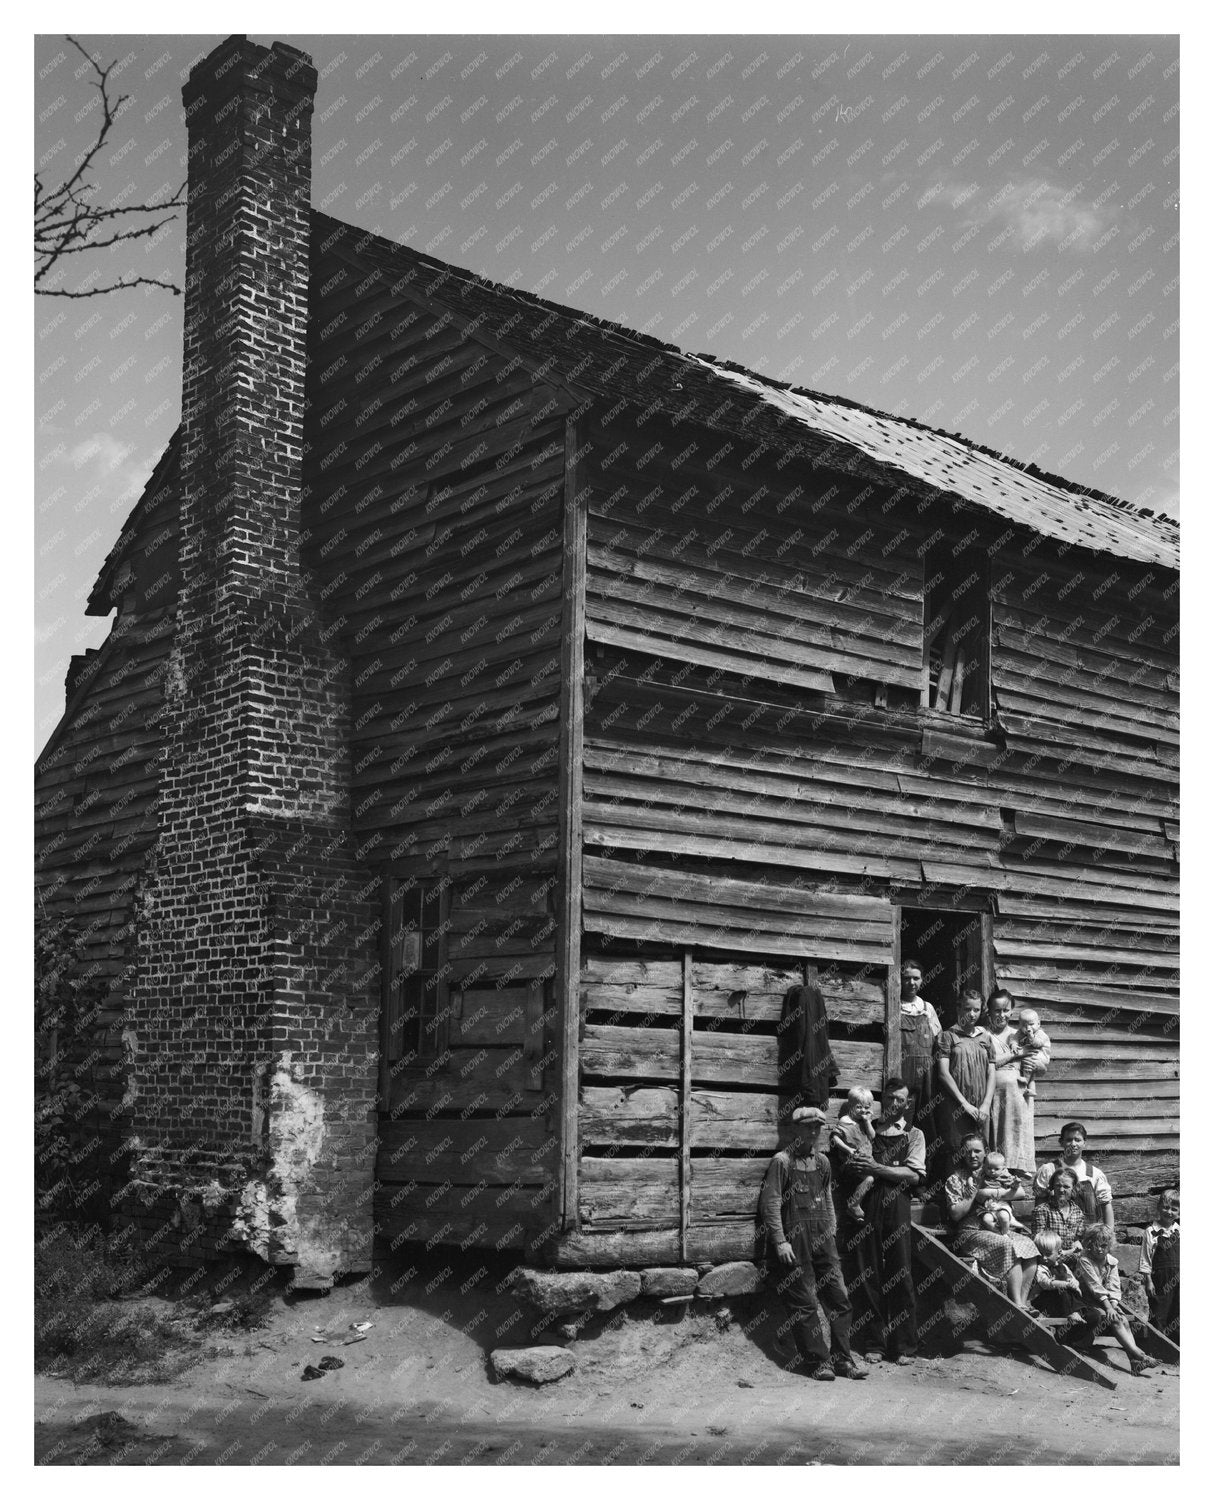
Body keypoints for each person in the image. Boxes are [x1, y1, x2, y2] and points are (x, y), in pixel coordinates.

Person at [759, 1105, 867, 1382]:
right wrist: (780, 1241)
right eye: (807, 1127)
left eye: (817, 1128)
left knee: (840, 1298)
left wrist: (831, 1228)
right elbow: (770, 1203)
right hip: (794, 1240)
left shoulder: (823, 1162)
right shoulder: (781, 1162)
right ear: (795, 1129)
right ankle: (818, 1362)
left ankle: (843, 1359)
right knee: (805, 1302)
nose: (813, 1132)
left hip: (823, 1238)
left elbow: (828, 1196)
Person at [834, 1077, 925, 1365]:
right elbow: (848, 1157)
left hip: (897, 1202)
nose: (894, 1103)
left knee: (901, 1270)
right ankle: (874, 1343)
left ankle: (905, 1345)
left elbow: (913, 1175)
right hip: (867, 1201)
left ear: (907, 1103)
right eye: (889, 1098)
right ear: (881, 1100)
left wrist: (877, 1167)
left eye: (900, 1099)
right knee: (867, 1270)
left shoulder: (914, 1134)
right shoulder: (866, 1128)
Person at [939, 1133, 1040, 1310]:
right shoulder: (956, 1179)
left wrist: (990, 1193)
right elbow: (955, 1214)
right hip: (971, 1231)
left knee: (1029, 1246)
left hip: (999, 1226)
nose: (972, 1155)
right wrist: (974, 1190)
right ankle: (1016, 1304)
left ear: (986, 1152)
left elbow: (1021, 1193)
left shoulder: (995, 1169)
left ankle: (1024, 1304)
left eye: (977, 1151)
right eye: (968, 1151)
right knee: (1007, 1245)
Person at [1062, 1222, 1160, 1377]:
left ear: (1109, 1246)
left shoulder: (1111, 1261)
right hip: (1085, 1301)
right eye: (1095, 1245)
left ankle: (1135, 1360)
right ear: (1088, 1244)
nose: (1099, 1249)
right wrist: (1108, 1308)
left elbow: (1114, 1286)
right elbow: (1095, 1287)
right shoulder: (1084, 1260)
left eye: (1103, 1246)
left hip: (1103, 1302)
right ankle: (1139, 1355)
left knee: (1123, 1319)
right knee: (1114, 1319)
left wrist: (1113, 1305)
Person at [933, 989, 995, 1184]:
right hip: (956, 1104)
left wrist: (985, 1104)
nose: (972, 1014)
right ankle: (954, 1201)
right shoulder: (946, 1036)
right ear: (958, 1007)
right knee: (957, 1148)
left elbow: (991, 1073)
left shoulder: (985, 1038)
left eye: (976, 1010)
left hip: (981, 1105)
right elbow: (943, 1073)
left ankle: (981, 1198)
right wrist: (964, 1104)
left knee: (980, 1149)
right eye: (967, 1008)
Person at [986, 989, 1046, 1178]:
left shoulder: (1020, 1034)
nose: (1001, 1015)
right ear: (989, 1012)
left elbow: (1042, 1064)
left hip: (1020, 1093)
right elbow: (988, 1062)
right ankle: (998, 1169)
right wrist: (1015, 1054)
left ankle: (1018, 1166)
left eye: (1005, 1010)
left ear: (1011, 1011)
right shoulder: (983, 1035)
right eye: (997, 1011)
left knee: (1017, 1130)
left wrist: (1036, 1062)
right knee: (998, 1131)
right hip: (995, 1092)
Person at [897, 959, 941, 1176]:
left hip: (926, 1077)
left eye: (916, 978)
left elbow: (939, 1042)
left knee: (927, 1123)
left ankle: (923, 1177)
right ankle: (902, 1173)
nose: (911, 982)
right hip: (902, 1075)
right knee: (902, 1123)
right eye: (906, 978)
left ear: (922, 980)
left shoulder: (927, 1008)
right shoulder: (894, 1005)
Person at [1033, 1123, 1114, 1230]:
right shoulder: (1048, 1170)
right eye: (1069, 1140)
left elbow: (1106, 1205)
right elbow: (1039, 1207)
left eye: (1077, 1140)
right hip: (1054, 1237)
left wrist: (1108, 1234)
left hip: (1087, 1237)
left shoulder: (1094, 1174)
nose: (1073, 1144)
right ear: (1061, 1142)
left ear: (1085, 1142)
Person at [829, 1086, 876, 1221]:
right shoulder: (845, 1121)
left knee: (876, 1178)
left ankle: (858, 1208)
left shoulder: (864, 1122)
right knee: (870, 1178)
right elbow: (835, 1138)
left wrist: (867, 1121)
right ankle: (853, 1204)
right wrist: (848, 1150)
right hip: (851, 1161)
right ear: (850, 1105)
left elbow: (872, 1137)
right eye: (859, 1107)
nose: (863, 1111)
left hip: (865, 1159)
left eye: (867, 1107)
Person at [1139, 1189, 1179, 1343]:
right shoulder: (1151, 1232)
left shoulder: (1180, 1231)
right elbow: (1145, 1258)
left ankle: (1176, 1349)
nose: (1169, 1212)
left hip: (1179, 1279)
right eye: (1165, 1207)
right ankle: (1158, 1346)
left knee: (1177, 1311)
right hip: (1160, 1279)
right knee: (1159, 1311)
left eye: (1174, 1209)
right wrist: (1148, 1280)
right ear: (1158, 1207)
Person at [1030, 1166, 1086, 1258]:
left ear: (1074, 1188)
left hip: (1072, 1259)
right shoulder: (1042, 1211)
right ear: (1052, 1186)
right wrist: (1066, 1252)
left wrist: (1077, 1245)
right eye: (1058, 1185)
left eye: (1066, 1187)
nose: (1061, 1190)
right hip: (1049, 1260)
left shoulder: (1077, 1212)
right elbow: (1039, 1243)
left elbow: (1077, 1240)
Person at [1032, 1229, 1083, 1320]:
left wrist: (1074, 1283)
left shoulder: (1063, 1266)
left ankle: (1080, 1313)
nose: (1044, 1258)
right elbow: (1046, 1283)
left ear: (1059, 1253)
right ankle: (1071, 1313)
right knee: (1062, 1290)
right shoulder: (1040, 1268)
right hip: (1045, 1302)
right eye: (1040, 1254)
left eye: (1048, 1254)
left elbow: (1071, 1278)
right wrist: (1066, 1284)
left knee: (1093, 1314)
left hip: (1061, 1302)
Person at [976, 1152, 1029, 1233]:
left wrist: (1016, 1183)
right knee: (986, 1220)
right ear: (984, 1166)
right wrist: (970, 1181)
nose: (992, 1171)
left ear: (1003, 1168)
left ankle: (1005, 1231)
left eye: (996, 1169)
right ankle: (999, 1232)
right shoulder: (982, 1175)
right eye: (989, 1168)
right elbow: (973, 1178)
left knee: (1003, 1217)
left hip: (1002, 1203)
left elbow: (1014, 1189)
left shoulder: (1005, 1177)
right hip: (988, 1206)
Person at [1011, 1008, 1050, 1098]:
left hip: (1041, 1055)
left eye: (1031, 1024)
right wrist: (1014, 1044)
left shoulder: (1041, 1034)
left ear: (1038, 1023)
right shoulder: (1021, 1032)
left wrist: (1031, 1037)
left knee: (1028, 1062)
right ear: (1020, 1025)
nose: (1028, 1028)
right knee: (1027, 1066)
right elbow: (1015, 1038)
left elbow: (1037, 1044)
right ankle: (1031, 1090)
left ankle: (1025, 1079)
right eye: (1024, 1025)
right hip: (1031, 1054)